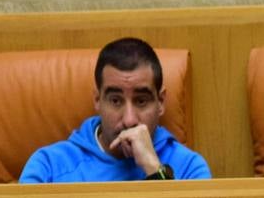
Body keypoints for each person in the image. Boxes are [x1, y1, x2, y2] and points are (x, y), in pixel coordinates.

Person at [19, 37, 210, 183]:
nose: (129, 120)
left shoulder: (190, 169)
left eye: (141, 101)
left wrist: (153, 167)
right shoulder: (48, 166)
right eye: (116, 101)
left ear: (160, 102)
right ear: (97, 100)